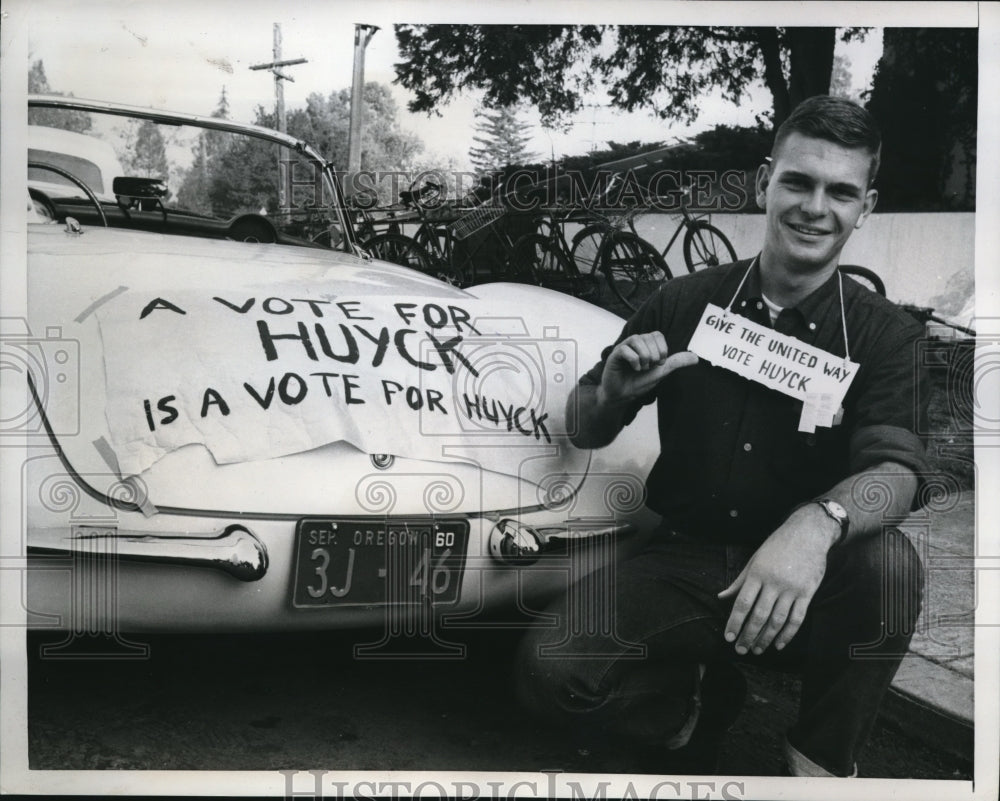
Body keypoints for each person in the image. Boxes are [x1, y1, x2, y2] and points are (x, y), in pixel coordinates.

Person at [515, 95, 928, 777]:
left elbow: (899, 471)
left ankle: (821, 762)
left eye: (841, 191)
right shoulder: (683, 301)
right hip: (684, 561)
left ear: (866, 206)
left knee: (891, 566)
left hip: (812, 575)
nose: (814, 206)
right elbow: (583, 426)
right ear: (766, 181)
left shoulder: (888, 334)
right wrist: (612, 391)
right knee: (550, 673)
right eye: (797, 181)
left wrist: (815, 525)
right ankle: (689, 704)